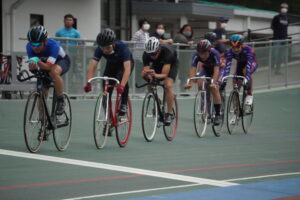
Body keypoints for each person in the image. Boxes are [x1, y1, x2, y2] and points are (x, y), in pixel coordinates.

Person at [84, 28, 133, 116]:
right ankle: (108, 118)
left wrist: (122, 85)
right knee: (106, 86)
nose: (105, 50)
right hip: (112, 63)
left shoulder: (122, 47)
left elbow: (127, 69)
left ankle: (124, 104)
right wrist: (89, 82)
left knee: (122, 78)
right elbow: (92, 67)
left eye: (108, 47)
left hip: (125, 64)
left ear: (113, 44)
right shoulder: (99, 49)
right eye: (102, 48)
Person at [26, 25, 70, 115]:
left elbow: (49, 67)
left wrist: (37, 61)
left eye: (38, 44)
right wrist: (33, 69)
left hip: (61, 61)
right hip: (44, 64)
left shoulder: (53, 46)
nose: (35, 47)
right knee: (41, 93)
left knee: (53, 72)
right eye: (32, 44)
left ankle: (61, 100)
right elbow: (35, 65)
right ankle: (43, 123)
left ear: (45, 41)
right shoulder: (28, 47)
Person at [142, 37, 179, 125]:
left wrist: (155, 75)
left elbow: (165, 74)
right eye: (150, 54)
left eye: (154, 53)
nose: (152, 56)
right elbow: (146, 70)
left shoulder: (167, 53)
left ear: (158, 49)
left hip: (171, 64)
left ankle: (169, 114)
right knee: (145, 76)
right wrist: (148, 75)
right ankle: (155, 98)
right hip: (158, 64)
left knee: (167, 85)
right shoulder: (146, 54)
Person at [184, 39, 222, 125]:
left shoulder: (215, 54)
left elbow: (216, 71)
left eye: (204, 52)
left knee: (214, 89)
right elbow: (193, 70)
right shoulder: (196, 55)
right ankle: (205, 104)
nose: (201, 55)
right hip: (206, 68)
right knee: (200, 83)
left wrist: (213, 83)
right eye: (200, 52)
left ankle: (217, 114)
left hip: (216, 69)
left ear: (209, 51)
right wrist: (190, 83)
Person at [223, 35, 258, 106]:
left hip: (251, 63)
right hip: (240, 64)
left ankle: (249, 94)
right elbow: (227, 67)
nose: (235, 50)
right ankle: (236, 112)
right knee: (235, 85)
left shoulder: (249, 50)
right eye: (233, 47)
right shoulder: (229, 52)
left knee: (245, 71)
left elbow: (248, 68)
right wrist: (224, 80)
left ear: (241, 45)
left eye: (238, 47)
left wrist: (246, 80)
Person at [271, 3, 289, 74]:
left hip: (284, 39)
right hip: (277, 38)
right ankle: (272, 67)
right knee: (275, 53)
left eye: (286, 8)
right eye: (283, 7)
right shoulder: (276, 17)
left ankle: (277, 70)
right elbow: (272, 26)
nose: (284, 9)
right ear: (280, 8)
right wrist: (277, 32)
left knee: (281, 55)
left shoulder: (287, 18)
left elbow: (286, 27)